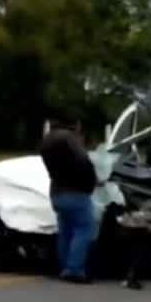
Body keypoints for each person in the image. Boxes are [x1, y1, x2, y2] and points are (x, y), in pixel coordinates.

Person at [40, 119, 98, 283]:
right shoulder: (69, 139)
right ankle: (75, 269)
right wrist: (92, 181)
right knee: (84, 230)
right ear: (76, 126)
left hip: (57, 193)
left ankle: (65, 267)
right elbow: (83, 162)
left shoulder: (48, 140)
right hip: (76, 193)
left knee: (65, 232)